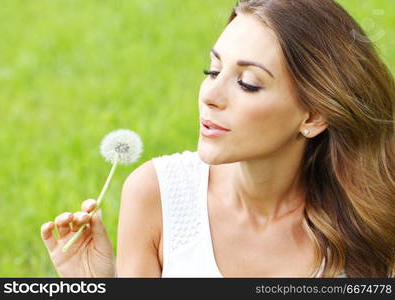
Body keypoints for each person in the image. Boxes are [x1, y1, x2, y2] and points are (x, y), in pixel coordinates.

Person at [40, 0, 395, 278]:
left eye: (248, 83)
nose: (210, 95)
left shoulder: (370, 216)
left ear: (314, 116)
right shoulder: (156, 194)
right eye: (213, 70)